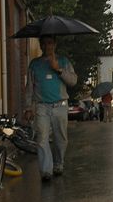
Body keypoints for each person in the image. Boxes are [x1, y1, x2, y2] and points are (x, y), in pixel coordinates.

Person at [23, 35, 77, 181]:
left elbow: (73, 81)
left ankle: (58, 163)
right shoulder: (34, 64)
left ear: (55, 44)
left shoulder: (64, 61)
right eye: (45, 43)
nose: (48, 46)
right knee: (42, 138)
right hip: (42, 107)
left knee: (61, 139)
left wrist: (58, 69)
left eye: (50, 43)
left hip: (60, 105)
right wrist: (28, 108)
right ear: (41, 45)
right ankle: (46, 170)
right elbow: (29, 88)